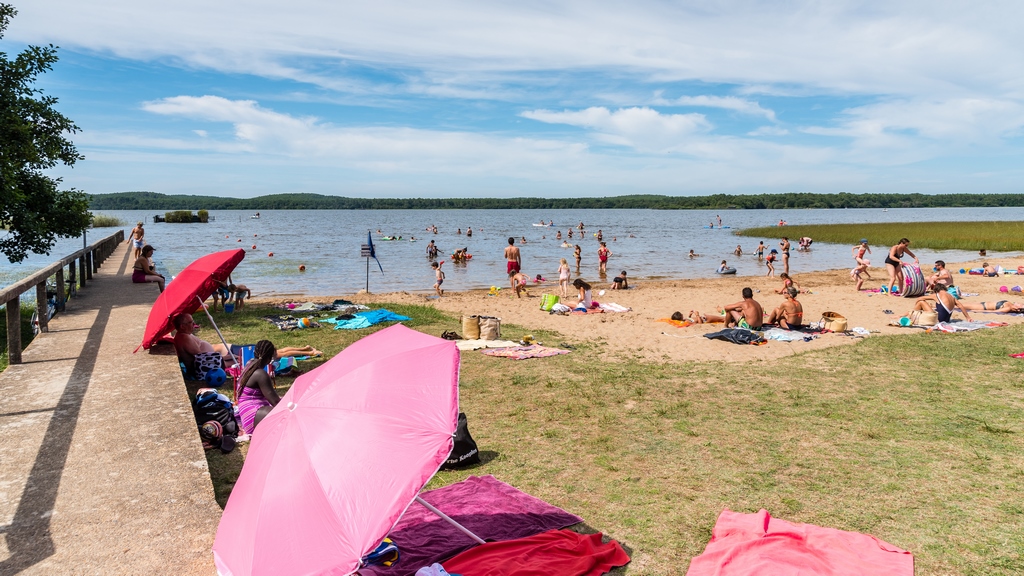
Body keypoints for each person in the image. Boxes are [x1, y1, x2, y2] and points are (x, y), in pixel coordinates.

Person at [172, 313, 320, 367]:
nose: (194, 324)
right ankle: (309, 351)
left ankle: (306, 349)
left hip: (227, 352)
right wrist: (227, 358)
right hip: (227, 353)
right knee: (274, 354)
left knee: (274, 352)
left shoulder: (185, 335)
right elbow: (202, 357)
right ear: (183, 326)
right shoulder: (184, 338)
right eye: (191, 322)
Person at [236, 340, 280, 435]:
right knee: (281, 414)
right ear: (269, 359)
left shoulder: (250, 364)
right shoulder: (261, 374)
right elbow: (275, 402)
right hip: (251, 416)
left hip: (244, 409)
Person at [958, 300, 1024, 313]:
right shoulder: (1010, 304)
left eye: (1021, 305)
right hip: (982, 303)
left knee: (958, 305)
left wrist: (978, 311)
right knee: (959, 304)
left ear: (1018, 309)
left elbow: (994, 311)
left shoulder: (1008, 308)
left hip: (982, 307)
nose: (1020, 303)